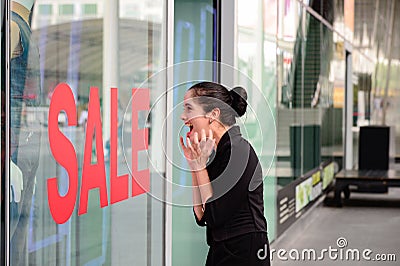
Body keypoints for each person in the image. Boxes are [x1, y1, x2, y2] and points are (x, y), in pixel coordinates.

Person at [180, 82, 271, 265]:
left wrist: (200, 168)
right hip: (224, 248)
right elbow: (201, 215)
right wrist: (194, 165)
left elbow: (213, 215)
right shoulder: (218, 152)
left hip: (244, 251)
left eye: (189, 109)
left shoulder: (238, 152)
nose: (183, 117)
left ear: (213, 114)